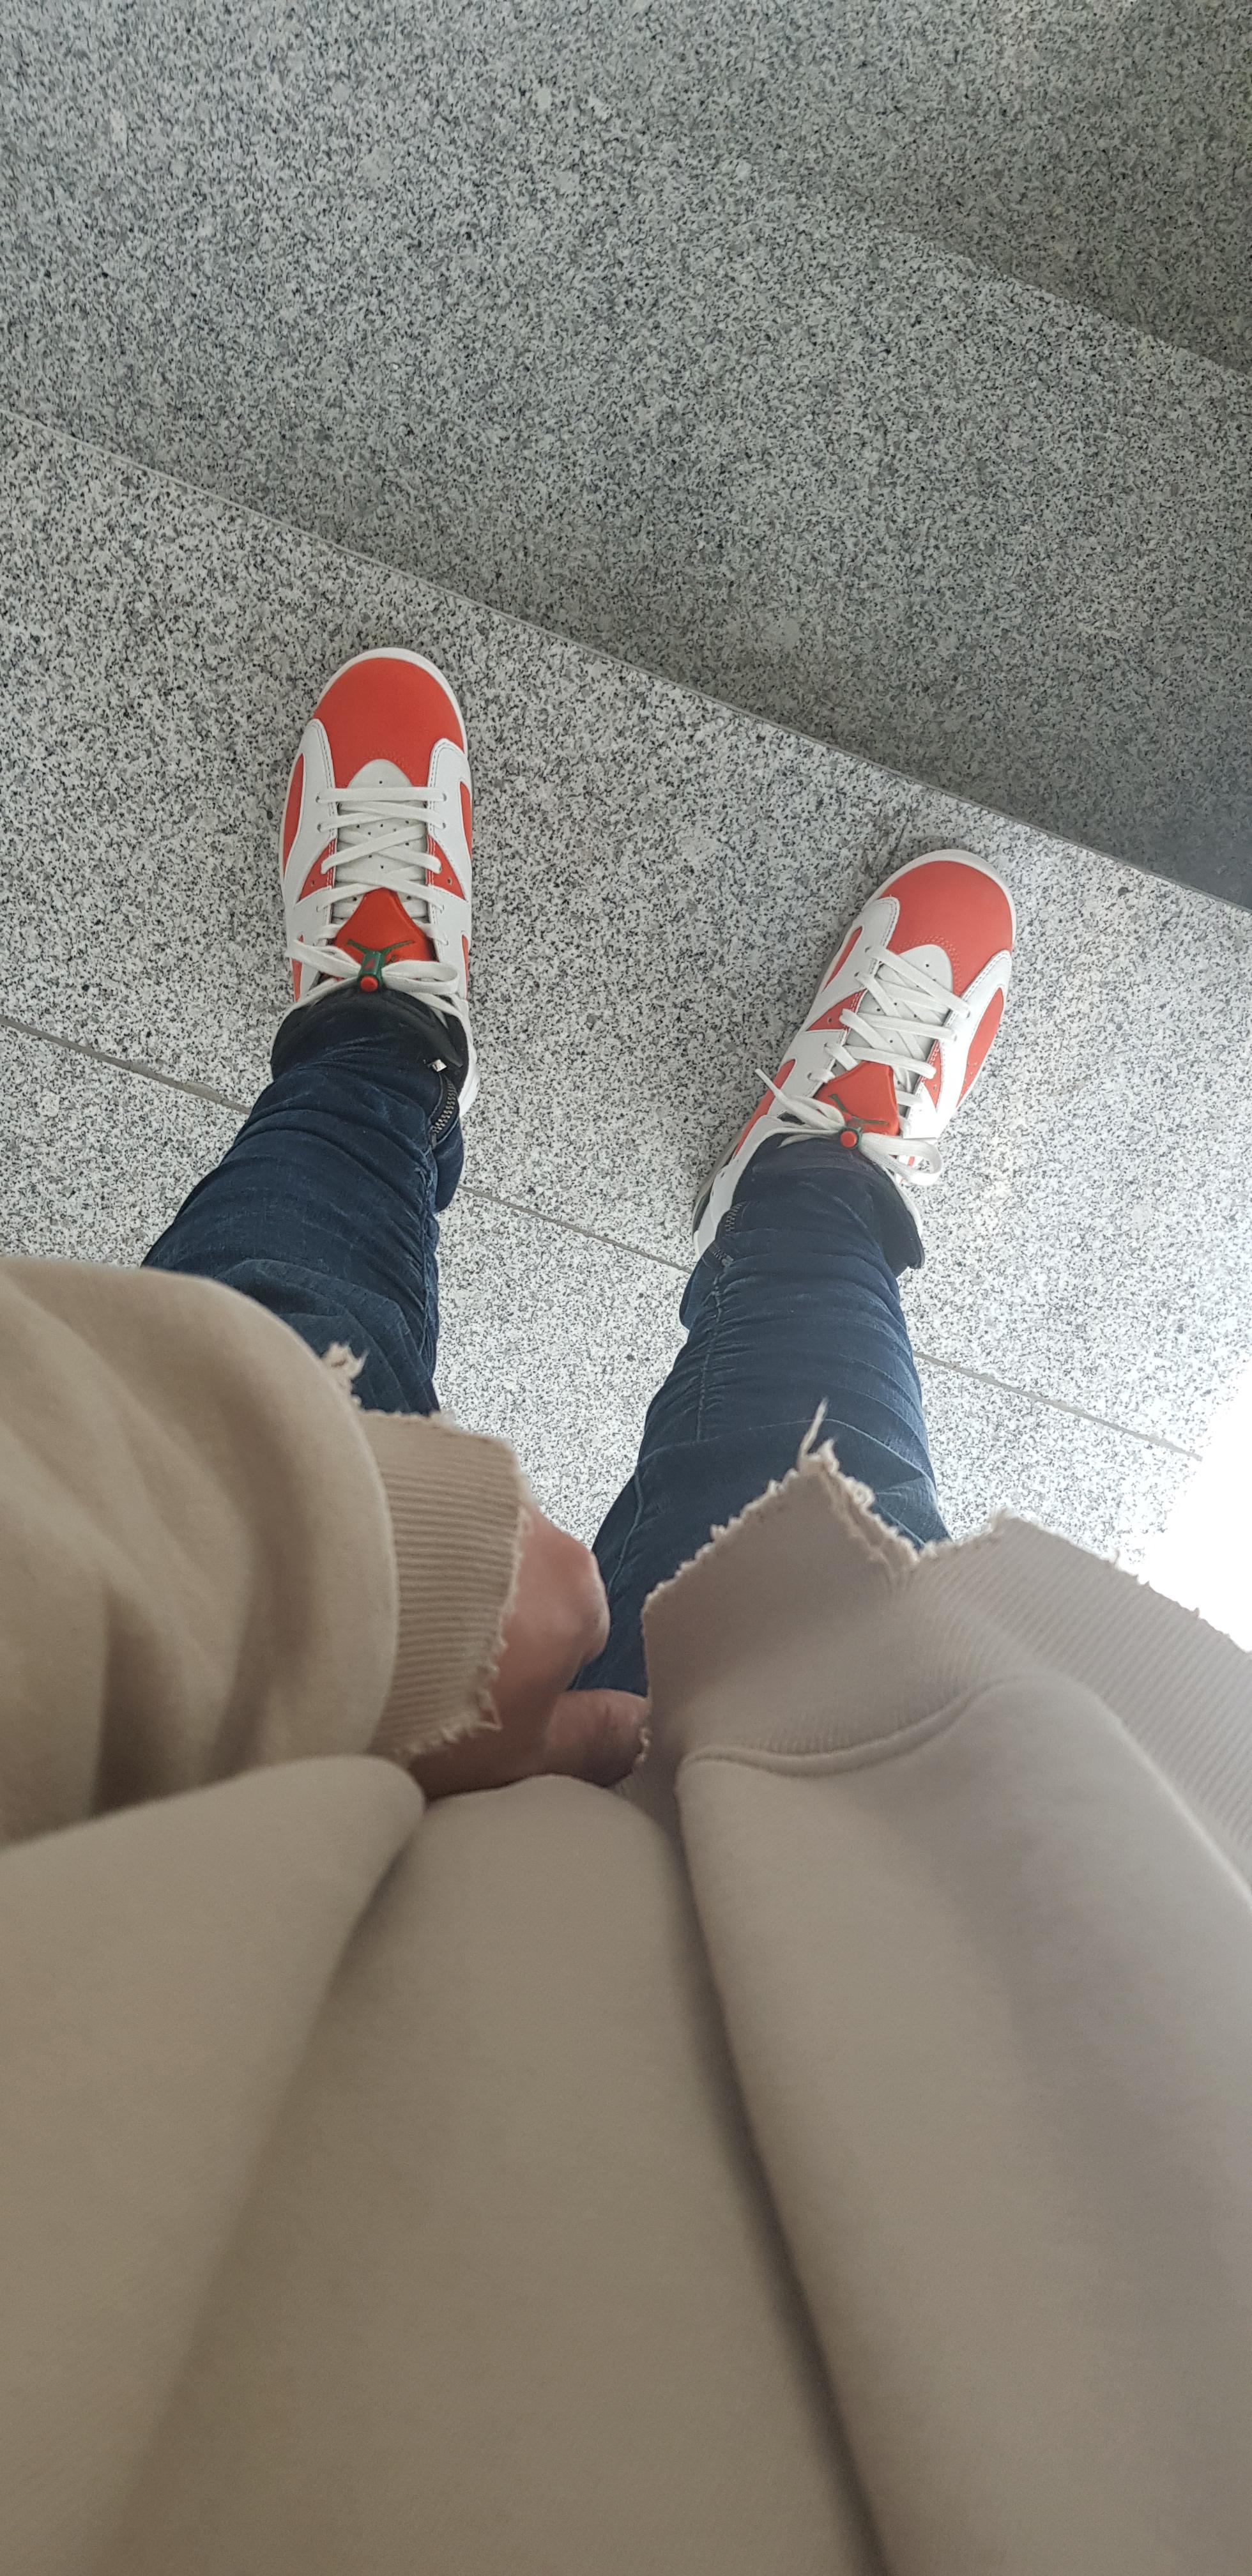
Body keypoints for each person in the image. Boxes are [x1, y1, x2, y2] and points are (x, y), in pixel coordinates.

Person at [2, 648, 1250, 2576]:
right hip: (930, 1996)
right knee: (820, 1468)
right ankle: (813, 1175)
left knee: (270, 1346)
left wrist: (328, 1573)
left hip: (187, 1858)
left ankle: (380, 1031)